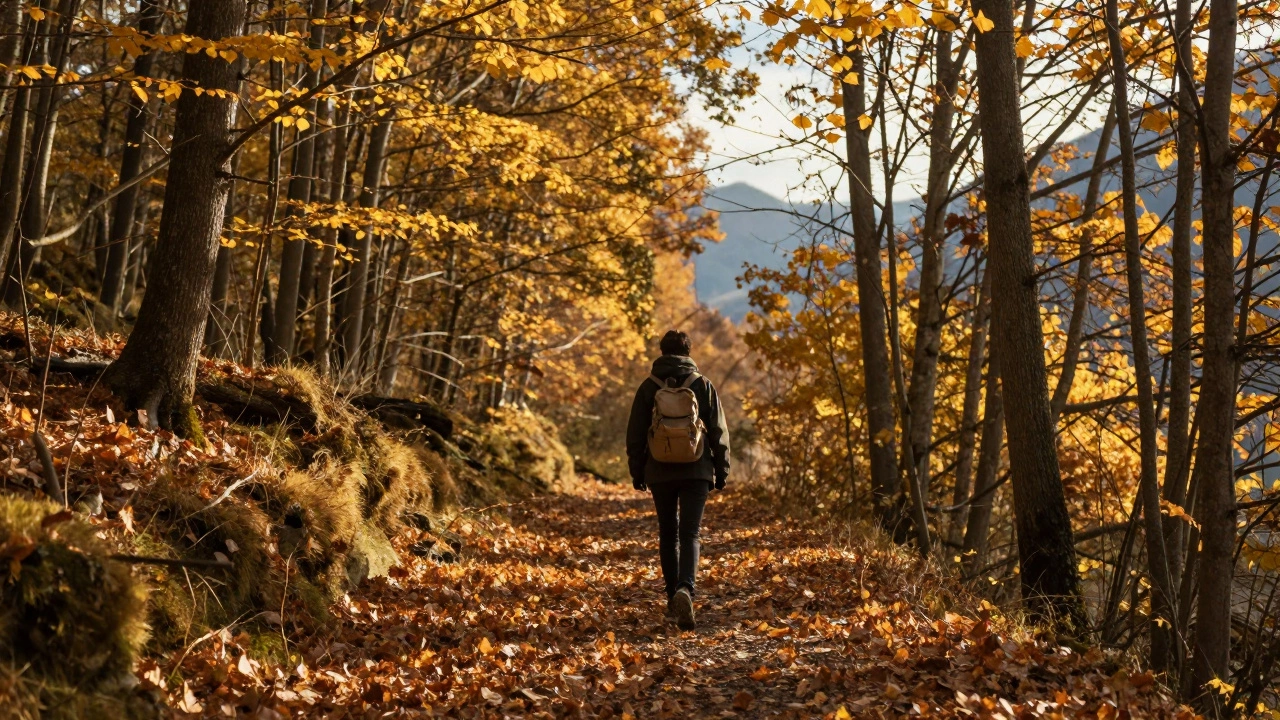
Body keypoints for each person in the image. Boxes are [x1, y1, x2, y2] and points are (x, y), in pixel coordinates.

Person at [626, 330, 730, 630]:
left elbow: (635, 434)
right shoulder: (702, 385)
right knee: (690, 534)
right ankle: (687, 588)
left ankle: (673, 597)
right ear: (688, 351)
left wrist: (638, 470)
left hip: (659, 469)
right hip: (696, 469)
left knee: (668, 533)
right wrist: (721, 469)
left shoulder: (649, 386)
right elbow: (718, 431)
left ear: (661, 352)